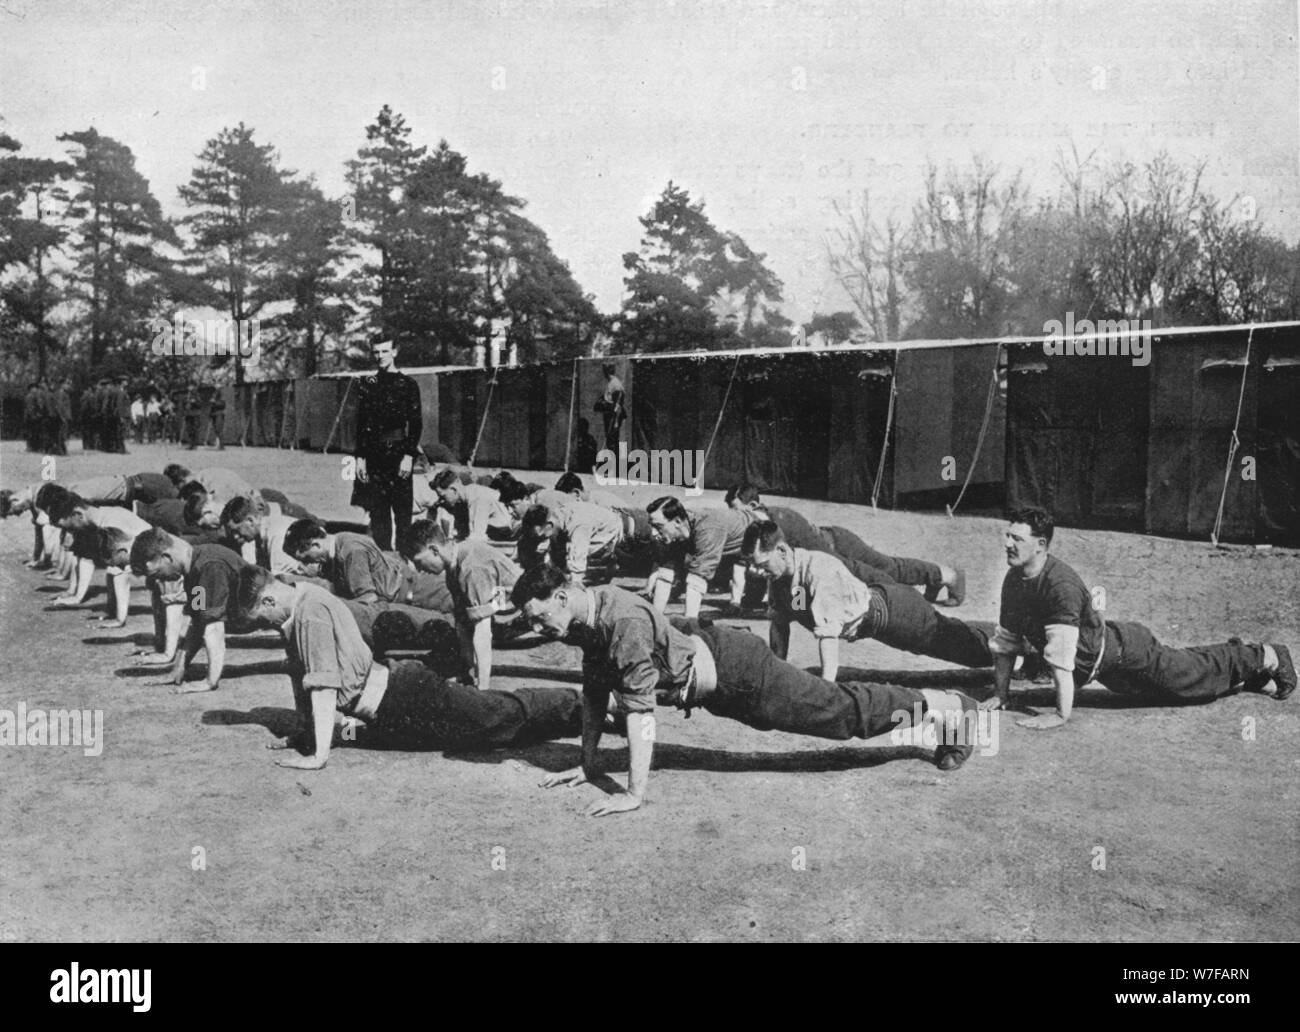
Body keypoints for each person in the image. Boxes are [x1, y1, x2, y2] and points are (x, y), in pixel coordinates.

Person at [511, 566, 979, 816]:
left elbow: (640, 714)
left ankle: (951, 707)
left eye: (538, 617)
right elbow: (595, 690)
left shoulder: (622, 621)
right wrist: (588, 763)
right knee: (833, 709)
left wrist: (633, 793)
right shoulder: (579, 617)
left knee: (839, 716)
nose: (537, 628)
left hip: (740, 673)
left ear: (561, 595)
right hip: (716, 674)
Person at [235, 567, 582, 770]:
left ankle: (587, 706)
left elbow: (322, 688)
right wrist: (305, 734)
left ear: (268, 599)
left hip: (409, 696)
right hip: (392, 708)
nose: (265, 626)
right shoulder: (299, 600)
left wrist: (318, 756)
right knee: (488, 735)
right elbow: (303, 676)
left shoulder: (310, 613)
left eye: (260, 619)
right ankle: (577, 716)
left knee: (496, 714)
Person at [984, 508, 1296, 728]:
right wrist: (1000, 695)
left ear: (1041, 545)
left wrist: (1060, 716)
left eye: (1017, 539)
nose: (1008, 544)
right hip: (1104, 668)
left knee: (1190, 684)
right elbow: (1006, 643)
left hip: (1126, 654)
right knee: (1189, 682)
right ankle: (1243, 664)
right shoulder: (1014, 579)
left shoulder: (1060, 586)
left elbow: (1062, 660)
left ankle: (1267, 655)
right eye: (1008, 536)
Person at [741, 521, 994, 680]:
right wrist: (777, 669)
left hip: (895, 614)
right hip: (879, 611)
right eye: (751, 565)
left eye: (760, 564)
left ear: (782, 551)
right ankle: (1007, 635)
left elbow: (828, 636)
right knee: (955, 630)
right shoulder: (778, 577)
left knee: (963, 648)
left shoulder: (818, 569)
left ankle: (1023, 642)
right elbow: (779, 623)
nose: (755, 572)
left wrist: (827, 687)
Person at [725, 483, 964, 605]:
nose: (734, 519)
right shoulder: (756, 530)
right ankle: (934, 579)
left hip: (839, 546)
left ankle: (949, 576)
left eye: (737, 511)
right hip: (827, 547)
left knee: (886, 569)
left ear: (754, 507)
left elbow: (839, 566)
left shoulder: (784, 521)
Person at [282, 520, 453, 643]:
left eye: (305, 559)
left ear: (315, 545)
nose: (307, 564)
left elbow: (367, 600)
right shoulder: (339, 544)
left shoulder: (350, 551)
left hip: (420, 591)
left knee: (465, 618)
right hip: (406, 592)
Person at [399, 519, 521, 692]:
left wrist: (483, 687)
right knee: (464, 618)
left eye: (419, 562)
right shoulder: (455, 563)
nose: (420, 570)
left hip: (524, 608)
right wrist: (467, 670)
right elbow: (462, 622)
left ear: (434, 550)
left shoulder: (470, 566)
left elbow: (483, 631)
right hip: (502, 600)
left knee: (478, 622)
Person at [128, 528, 249, 693]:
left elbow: (214, 628)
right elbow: (199, 621)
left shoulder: (208, 566)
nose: (159, 580)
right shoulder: (193, 570)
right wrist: (178, 668)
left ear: (167, 557)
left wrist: (209, 681)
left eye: (157, 573)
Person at [352, 336, 423, 551]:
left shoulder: (408, 384)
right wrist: (360, 459)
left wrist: (409, 457)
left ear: (395, 352)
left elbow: (416, 424)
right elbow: (362, 425)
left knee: (403, 515)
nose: (380, 357)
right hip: (374, 456)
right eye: (376, 352)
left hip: (399, 454)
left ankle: (403, 562)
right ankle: (383, 561)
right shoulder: (368, 384)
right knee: (379, 515)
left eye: (384, 351)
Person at [645, 496, 756, 618]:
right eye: (652, 526)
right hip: (729, 542)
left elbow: (697, 580)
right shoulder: (675, 529)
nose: (653, 533)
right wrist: (655, 619)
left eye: (658, 526)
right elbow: (665, 575)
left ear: (677, 522)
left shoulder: (707, 528)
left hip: (760, 532)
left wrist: (689, 623)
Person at [518, 500, 624, 586]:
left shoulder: (577, 526)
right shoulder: (557, 518)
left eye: (542, 537)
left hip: (619, 532)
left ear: (549, 526)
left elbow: (578, 571)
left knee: (577, 569)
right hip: (598, 527)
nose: (541, 541)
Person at [432, 468, 514, 542]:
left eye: (443, 496)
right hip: (496, 536)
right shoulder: (463, 500)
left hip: (506, 539)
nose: (441, 501)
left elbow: (476, 538)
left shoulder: (476, 497)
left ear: (454, 490)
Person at [593, 362, 626, 454]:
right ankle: (614, 463)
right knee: (610, 439)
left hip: (613, 414)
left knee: (612, 439)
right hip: (609, 413)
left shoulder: (615, 384)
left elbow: (619, 402)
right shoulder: (611, 383)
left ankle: (616, 464)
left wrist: (615, 419)